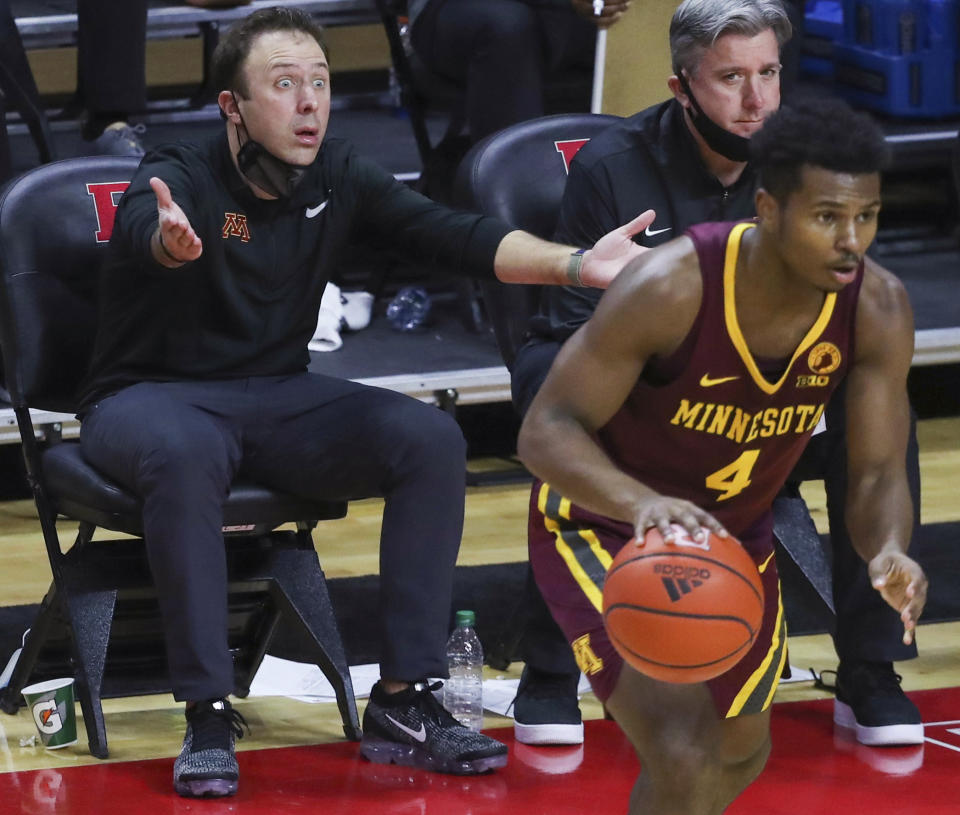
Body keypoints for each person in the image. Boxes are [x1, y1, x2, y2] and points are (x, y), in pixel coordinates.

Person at [76, 6, 648, 800]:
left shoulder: (338, 173)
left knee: (429, 439)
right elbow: (146, 218)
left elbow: (458, 235)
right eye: (284, 85)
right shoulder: (182, 167)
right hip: (144, 399)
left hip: (276, 396)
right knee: (185, 450)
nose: (310, 101)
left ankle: (404, 699)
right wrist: (167, 242)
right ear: (232, 108)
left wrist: (578, 264)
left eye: (319, 82)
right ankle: (207, 712)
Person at [509, 0, 925, 750]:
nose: (756, 98)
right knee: (582, 409)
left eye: (768, 74)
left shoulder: (805, 171)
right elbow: (574, 332)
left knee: (888, 431)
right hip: (627, 371)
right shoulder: (614, 167)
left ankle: (872, 666)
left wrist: (888, 542)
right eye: (731, 77)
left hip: (762, 380)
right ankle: (550, 667)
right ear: (682, 87)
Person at [407, 0, 632, 143]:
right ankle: (511, 189)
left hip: (571, 16)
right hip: (460, 9)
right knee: (506, 27)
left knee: (646, 17)